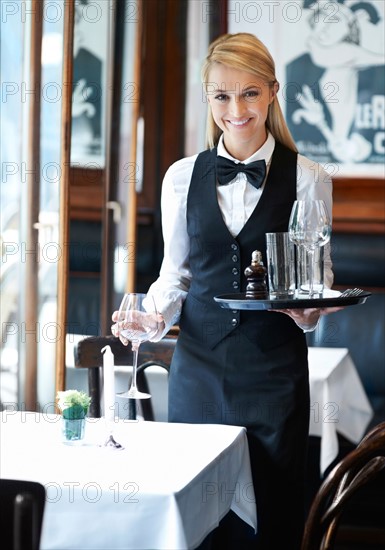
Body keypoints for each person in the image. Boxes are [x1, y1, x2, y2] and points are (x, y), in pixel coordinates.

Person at [112, 32, 341, 549]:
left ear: (272, 92)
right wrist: (151, 318)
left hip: (273, 376)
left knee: (272, 517)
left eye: (250, 93)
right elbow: (177, 276)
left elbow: (313, 284)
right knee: (199, 519)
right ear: (208, 98)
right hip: (198, 372)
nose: (236, 109)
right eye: (222, 95)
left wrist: (309, 312)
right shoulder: (179, 178)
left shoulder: (308, 178)